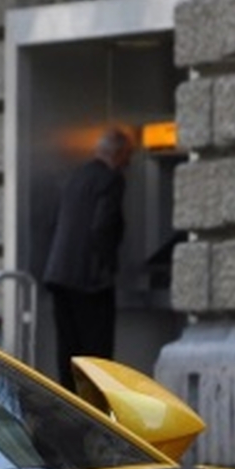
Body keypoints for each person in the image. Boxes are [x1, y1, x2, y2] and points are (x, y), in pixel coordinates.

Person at [42, 124, 135, 378]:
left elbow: (54, 223)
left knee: (68, 351)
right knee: (96, 357)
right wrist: (109, 267)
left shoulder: (76, 176)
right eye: (129, 156)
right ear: (118, 154)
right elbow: (102, 227)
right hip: (90, 280)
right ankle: (93, 414)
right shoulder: (111, 179)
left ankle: (67, 408)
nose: (129, 163)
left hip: (59, 275)